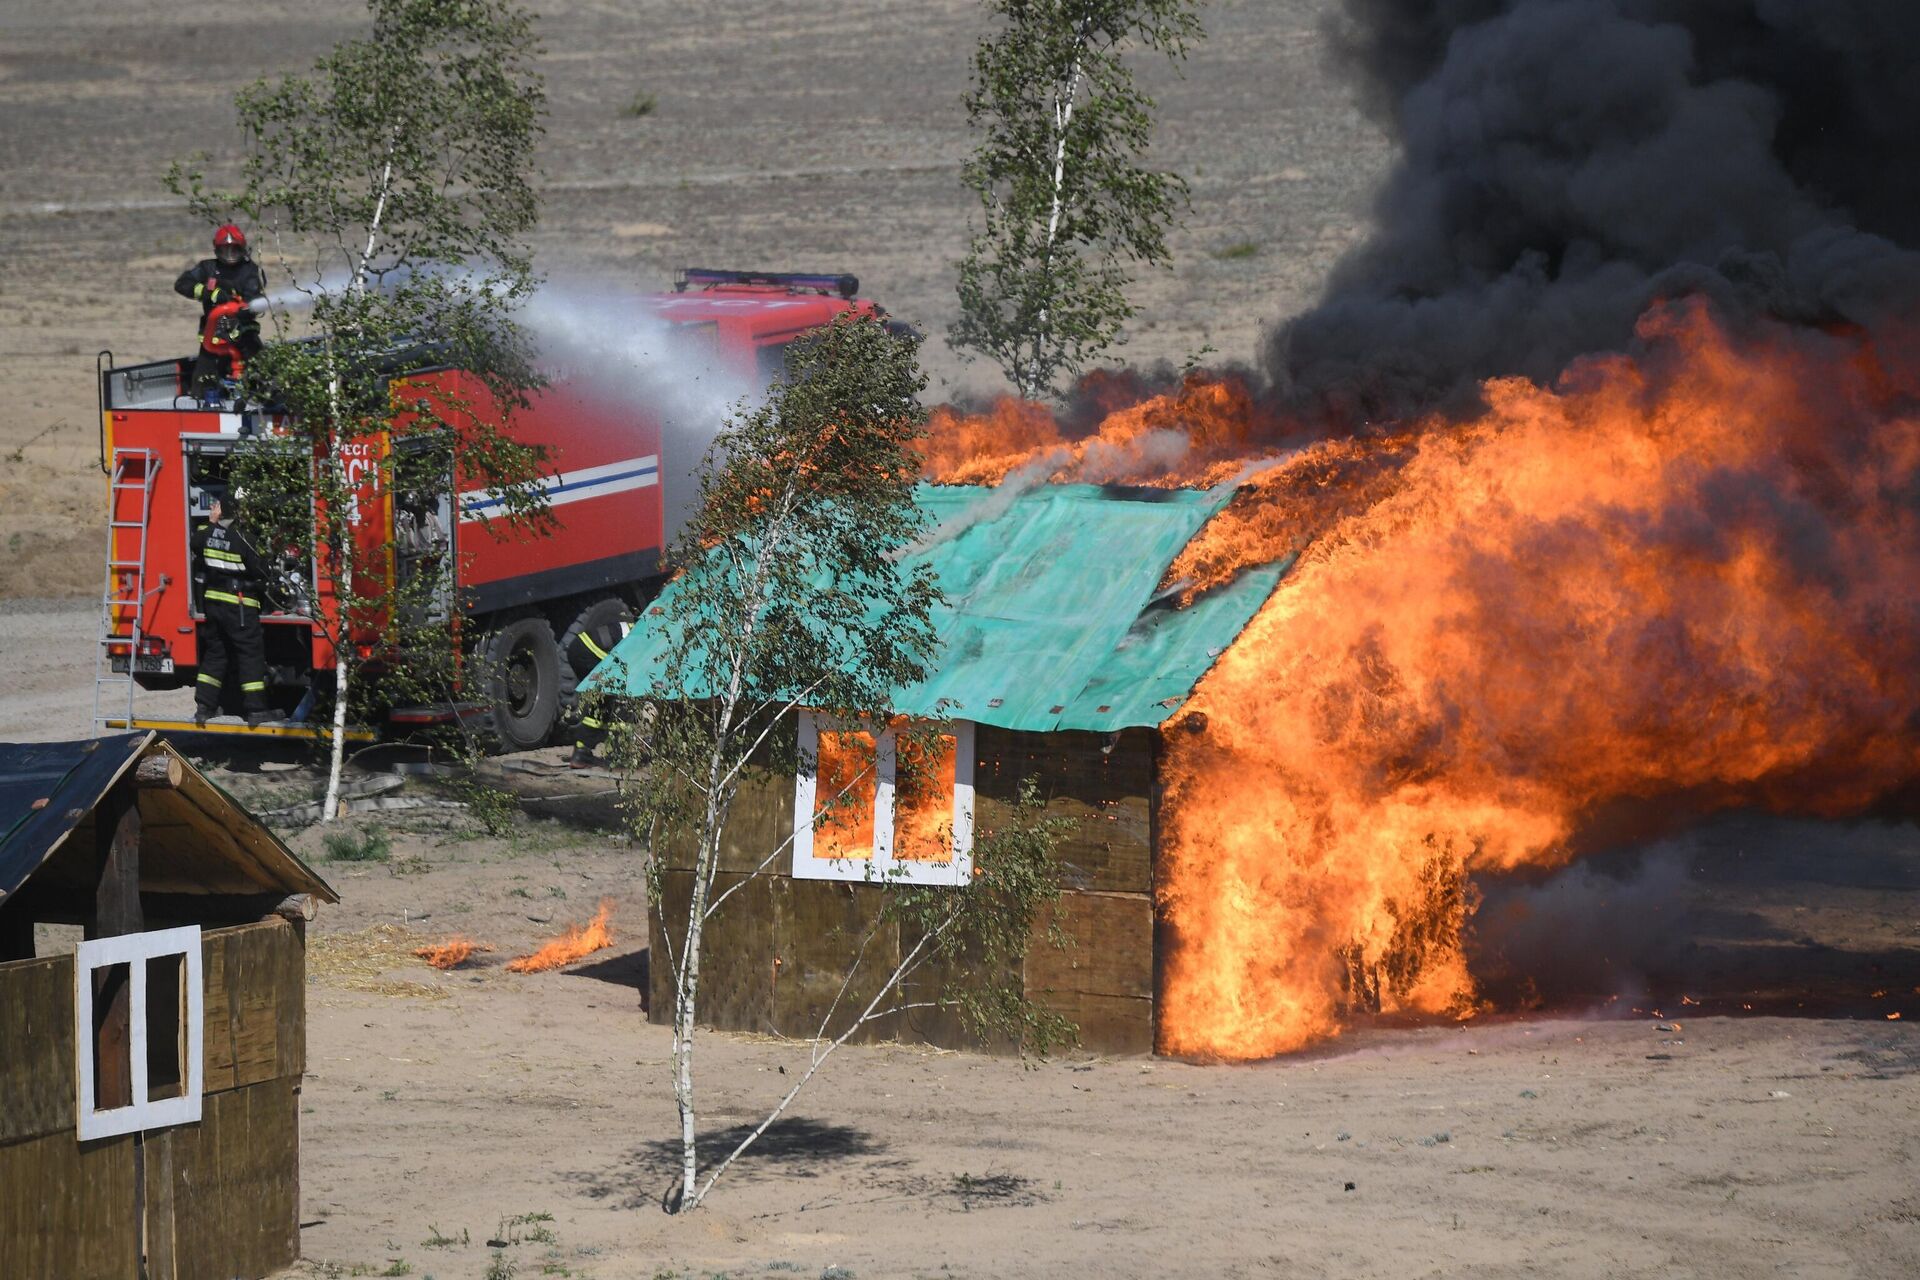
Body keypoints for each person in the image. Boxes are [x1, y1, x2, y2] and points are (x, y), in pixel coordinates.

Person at [191, 492, 274, 727]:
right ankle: (256, 709)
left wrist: (211, 523)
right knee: (250, 654)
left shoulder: (206, 534)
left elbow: (195, 543)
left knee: (216, 653)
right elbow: (262, 570)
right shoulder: (245, 539)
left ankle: (204, 707)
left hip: (212, 604)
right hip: (239, 605)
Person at [174, 224, 266, 393]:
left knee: (266, 374)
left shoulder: (250, 271)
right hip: (212, 339)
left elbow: (255, 296)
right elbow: (182, 284)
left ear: (242, 249)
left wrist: (244, 307)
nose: (230, 255)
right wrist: (208, 293)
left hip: (244, 337)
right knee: (201, 386)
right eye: (225, 250)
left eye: (234, 250)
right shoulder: (207, 268)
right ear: (217, 250)